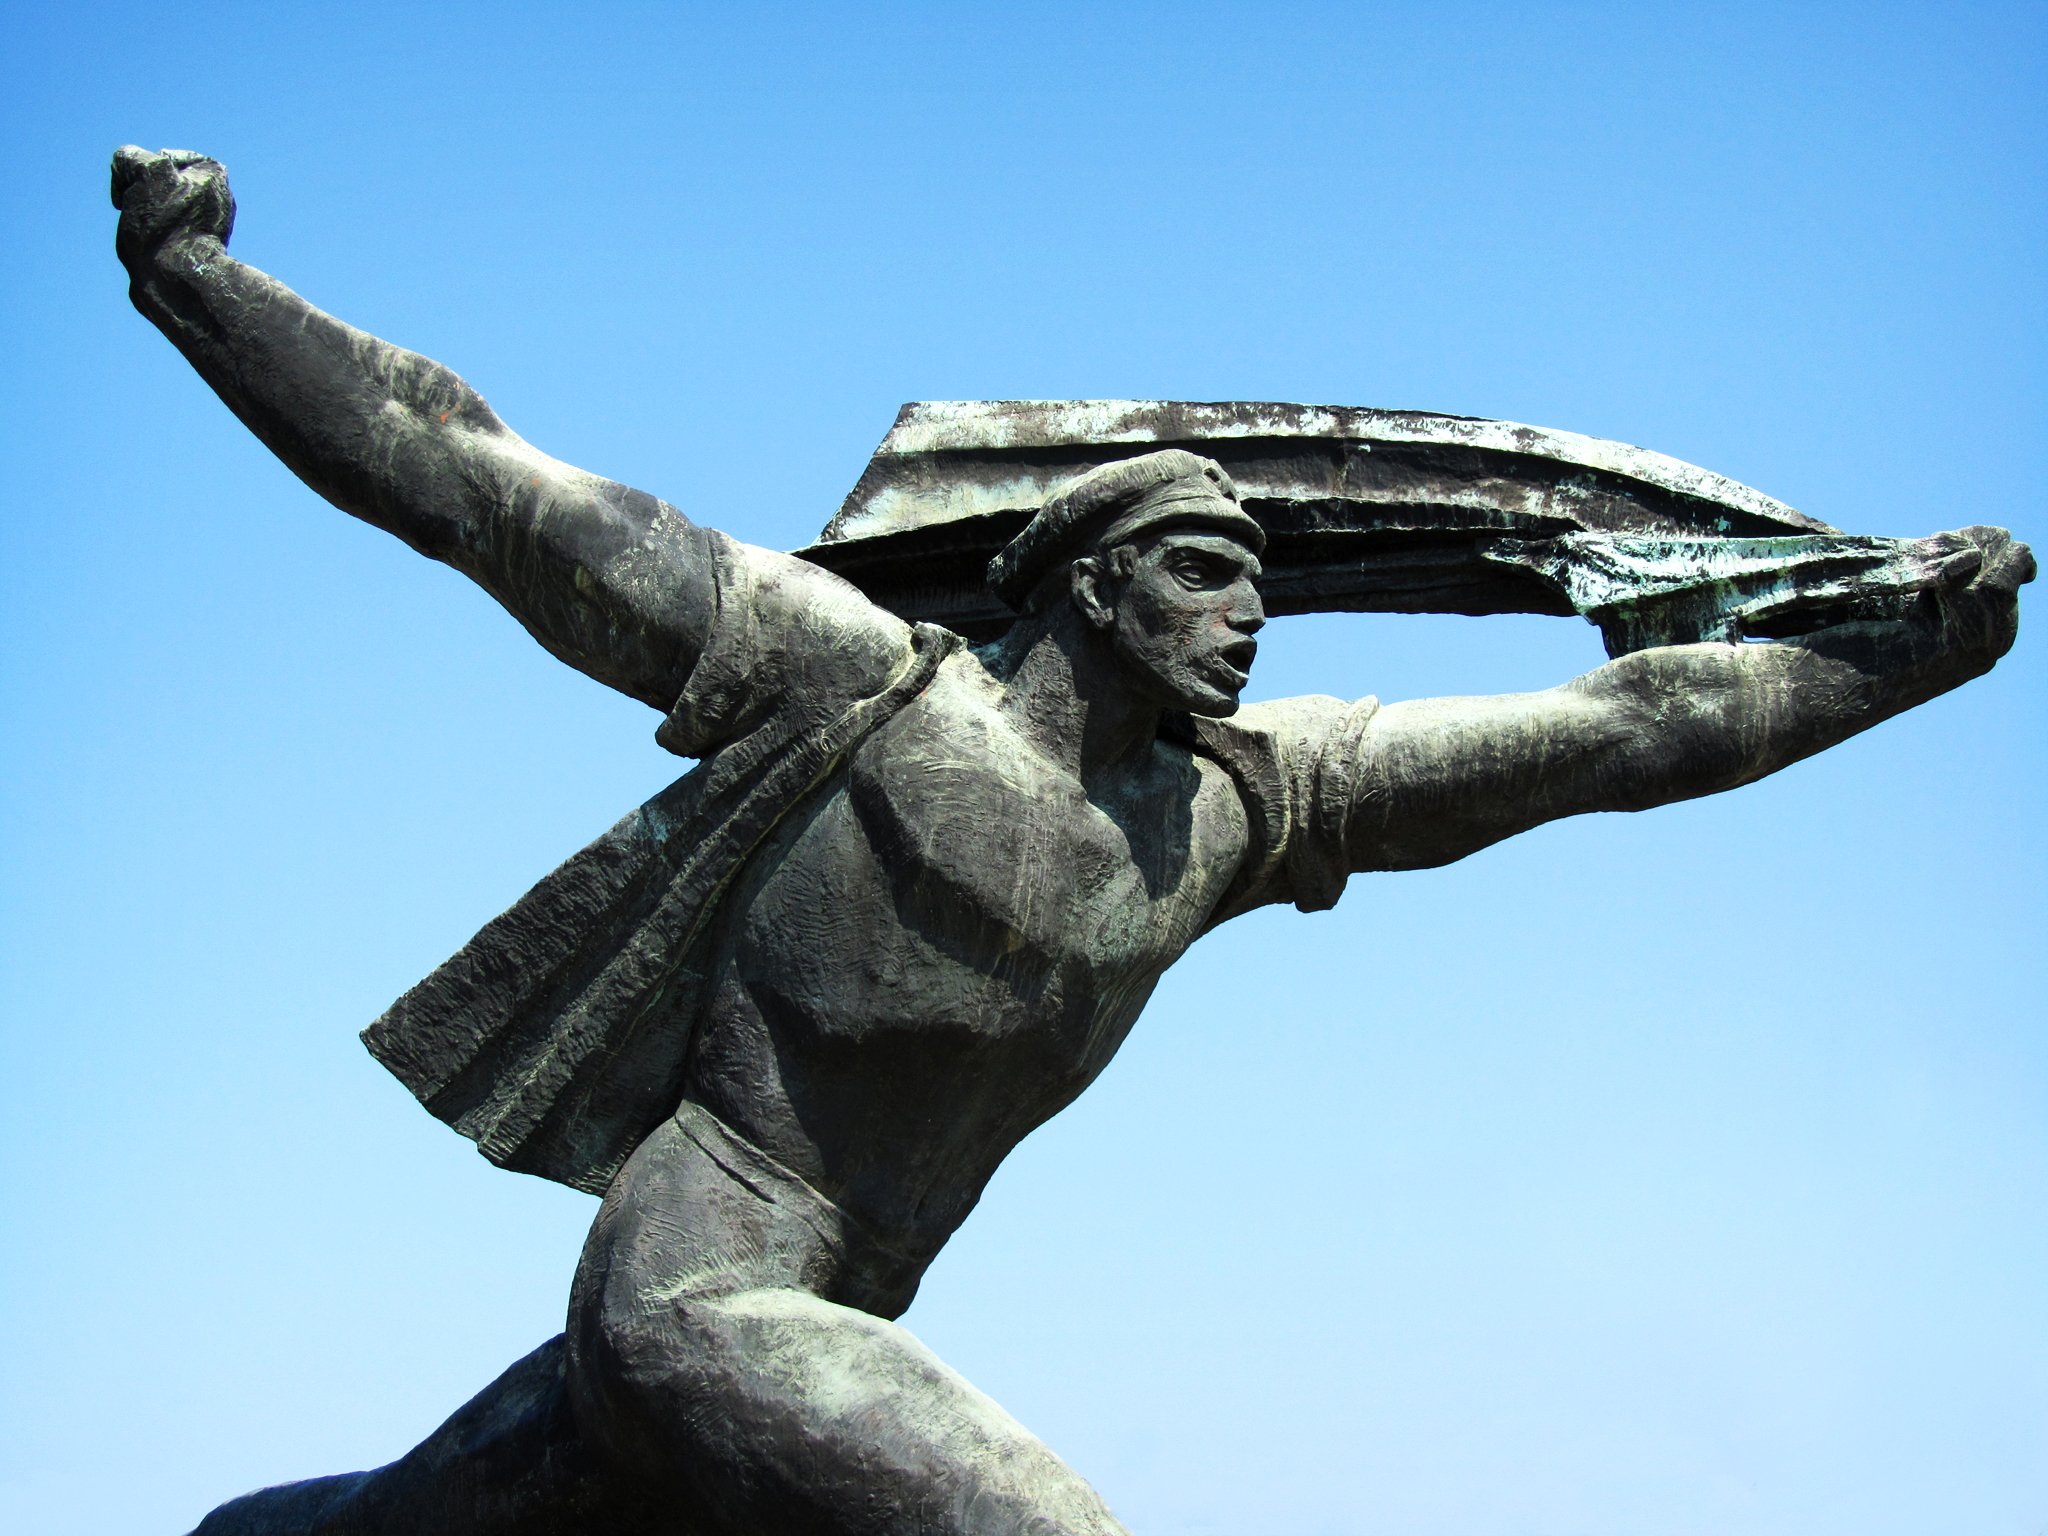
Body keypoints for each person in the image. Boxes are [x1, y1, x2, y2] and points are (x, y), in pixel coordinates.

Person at [112, 147, 2030, 1536]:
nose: (1247, 619)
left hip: (826, 1321)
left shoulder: (1241, 802)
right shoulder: (845, 678)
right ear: (1090, 587)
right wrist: (201, 281)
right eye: (1204, 574)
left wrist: (1899, 653)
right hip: (697, 1290)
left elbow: (1618, 727)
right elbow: (479, 485)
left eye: (1258, 586)